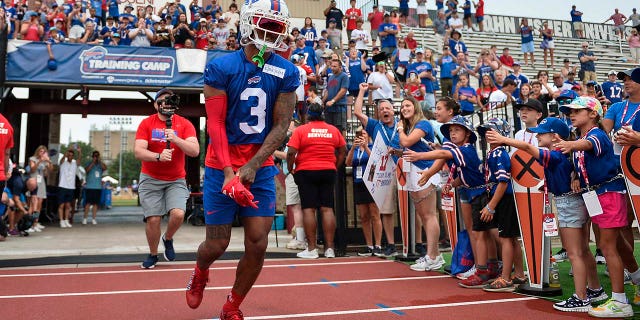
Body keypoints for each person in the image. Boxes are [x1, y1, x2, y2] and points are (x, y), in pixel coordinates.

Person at [185, 1, 299, 318]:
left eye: (276, 26)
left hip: (259, 165)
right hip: (221, 160)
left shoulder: (286, 71)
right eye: (265, 24)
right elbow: (216, 124)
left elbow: (280, 126)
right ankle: (200, 272)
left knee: (258, 242)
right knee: (217, 245)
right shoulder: (222, 66)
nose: (270, 31)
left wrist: (252, 164)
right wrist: (226, 171)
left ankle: (232, 304)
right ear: (248, 23)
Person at [486, 117, 607, 311]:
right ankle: (594, 289)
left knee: (574, 253)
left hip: (568, 202)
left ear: (554, 136)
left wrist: (505, 140)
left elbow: (526, 148)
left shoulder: (556, 154)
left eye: (541, 133)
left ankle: (581, 298)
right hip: (574, 201)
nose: (537, 136)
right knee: (582, 250)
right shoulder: (561, 154)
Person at [554, 97, 632, 318]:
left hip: (608, 193)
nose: (572, 114)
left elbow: (590, 146)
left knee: (608, 247)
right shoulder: (582, 136)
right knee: (611, 244)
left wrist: (570, 145)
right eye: (570, 111)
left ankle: (620, 301)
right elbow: (583, 157)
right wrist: (575, 174)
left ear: (592, 114)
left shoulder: (596, 135)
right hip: (598, 194)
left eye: (577, 111)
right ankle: (631, 286)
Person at [406, 115, 500, 287]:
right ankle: (490, 266)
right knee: (482, 233)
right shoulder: (461, 150)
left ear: (467, 134)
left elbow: (442, 153)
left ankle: (483, 269)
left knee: (483, 234)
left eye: (457, 130)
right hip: (473, 192)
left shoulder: (465, 150)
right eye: (450, 130)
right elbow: (464, 175)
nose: (453, 133)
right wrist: (452, 183)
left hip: (479, 194)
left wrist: (420, 156)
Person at [135, 88, 199, 269]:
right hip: (150, 178)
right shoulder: (147, 123)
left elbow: (194, 151)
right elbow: (138, 151)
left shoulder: (184, 124)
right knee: (153, 219)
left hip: (176, 179)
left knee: (178, 213)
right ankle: (153, 254)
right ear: (156, 104)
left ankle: (168, 238)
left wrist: (177, 140)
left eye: (171, 100)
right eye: (163, 100)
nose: (168, 103)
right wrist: (157, 156)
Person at [286, 103, 346, 259]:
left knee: (308, 209)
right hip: (327, 170)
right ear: (323, 115)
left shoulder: (301, 130)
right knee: (327, 208)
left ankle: (312, 249)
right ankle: (330, 249)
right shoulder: (333, 130)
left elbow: (291, 151)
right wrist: (335, 165)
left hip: (306, 170)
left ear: (308, 115)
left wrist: (291, 168)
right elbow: (342, 150)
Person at [397, 97, 445, 272]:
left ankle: (432, 256)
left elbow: (407, 142)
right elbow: (407, 148)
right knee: (423, 216)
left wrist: (400, 130)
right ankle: (434, 254)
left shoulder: (422, 124)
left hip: (425, 170)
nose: (404, 108)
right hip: (414, 171)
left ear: (415, 107)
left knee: (429, 215)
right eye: (402, 106)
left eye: (408, 105)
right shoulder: (410, 127)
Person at [354, 83, 400, 257]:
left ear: (393, 110)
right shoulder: (375, 126)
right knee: (386, 210)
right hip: (385, 173)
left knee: (412, 209)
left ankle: (417, 244)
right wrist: (362, 91)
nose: (385, 111)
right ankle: (390, 244)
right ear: (378, 113)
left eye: (388, 108)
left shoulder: (401, 125)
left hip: (403, 169)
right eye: (381, 109)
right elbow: (357, 112)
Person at [346, 128, 382, 256]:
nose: (360, 136)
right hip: (359, 183)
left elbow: (376, 161)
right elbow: (348, 162)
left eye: (363, 134)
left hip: (371, 182)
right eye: (358, 134)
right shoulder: (354, 149)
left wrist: (366, 147)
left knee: (374, 214)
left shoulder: (373, 146)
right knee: (364, 216)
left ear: (368, 136)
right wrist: (351, 149)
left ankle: (378, 245)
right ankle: (369, 245)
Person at [27, 145, 50, 232]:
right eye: (41, 151)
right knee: (32, 204)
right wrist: (40, 161)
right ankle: (29, 224)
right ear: (38, 151)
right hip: (33, 182)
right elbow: (32, 169)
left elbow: (47, 174)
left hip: (41, 183)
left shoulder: (45, 161)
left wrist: (48, 163)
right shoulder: (32, 159)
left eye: (44, 152)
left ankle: (35, 223)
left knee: (39, 204)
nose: (42, 153)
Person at [324, 59, 349, 132]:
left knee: (340, 129)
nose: (332, 68)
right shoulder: (331, 77)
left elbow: (343, 90)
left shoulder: (344, 76)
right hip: (329, 108)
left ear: (340, 67)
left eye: (335, 66)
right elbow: (327, 91)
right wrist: (322, 102)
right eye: (331, 66)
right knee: (329, 130)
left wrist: (333, 101)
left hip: (339, 107)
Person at [58, 148, 80, 228]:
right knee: (61, 205)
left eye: (71, 156)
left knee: (68, 205)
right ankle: (61, 220)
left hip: (71, 187)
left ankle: (66, 220)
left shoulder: (74, 164)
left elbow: (79, 161)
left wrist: (79, 152)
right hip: (62, 186)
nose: (70, 157)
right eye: (69, 155)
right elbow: (61, 161)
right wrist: (65, 154)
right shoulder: (63, 163)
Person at [82, 151, 106, 225]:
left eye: (97, 156)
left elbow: (105, 168)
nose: (96, 157)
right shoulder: (89, 163)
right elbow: (87, 170)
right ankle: (85, 218)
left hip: (97, 187)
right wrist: (93, 162)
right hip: (90, 187)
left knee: (96, 204)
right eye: (95, 156)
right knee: (88, 203)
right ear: (92, 156)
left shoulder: (100, 165)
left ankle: (93, 218)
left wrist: (99, 161)